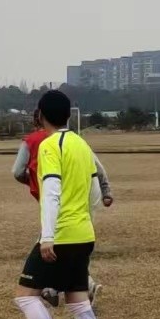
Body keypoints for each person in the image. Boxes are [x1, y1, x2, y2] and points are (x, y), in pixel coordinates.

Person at [14, 90, 112, 319]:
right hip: (84, 232)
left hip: (61, 234)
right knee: (78, 299)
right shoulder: (81, 144)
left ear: (40, 114)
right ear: (69, 115)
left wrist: (47, 237)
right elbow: (95, 188)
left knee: (24, 296)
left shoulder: (48, 145)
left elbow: (52, 192)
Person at [13, 118, 110, 306]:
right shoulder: (77, 141)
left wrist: (33, 181)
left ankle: (71, 287)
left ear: (38, 119)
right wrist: (106, 191)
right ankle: (72, 288)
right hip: (81, 209)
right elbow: (97, 168)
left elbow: (18, 172)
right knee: (72, 252)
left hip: (59, 207)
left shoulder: (32, 141)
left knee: (50, 249)